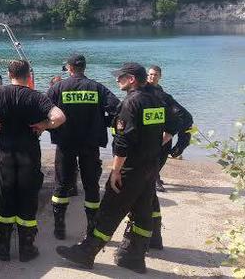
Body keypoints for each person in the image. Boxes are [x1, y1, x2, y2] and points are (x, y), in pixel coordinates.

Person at [56, 63, 174, 274]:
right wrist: (156, 145)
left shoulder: (131, 102)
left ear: (131, 79)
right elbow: (173, 124)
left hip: (130, 168)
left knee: (109, 210)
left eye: (120, 77)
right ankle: (134, 257)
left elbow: (123, 142)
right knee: (142, 212)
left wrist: (116, 170)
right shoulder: (157, 99)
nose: (116, 80)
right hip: (150, 167)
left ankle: (86, 252)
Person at [0, 60, 66, 262]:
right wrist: (44, 125)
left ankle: (2, 249)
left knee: (5, 202)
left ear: (9, 73)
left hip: (5, 157)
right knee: (27, 202)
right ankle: (26, 249)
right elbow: (60, 117)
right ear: (28, 75)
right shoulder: (36, 96)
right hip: (28, 158)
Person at [47, 54, 120, 240]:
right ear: (84, 68)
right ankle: (91, 229)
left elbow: (43, 109)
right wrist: (101, 122)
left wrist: (50, 127)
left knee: (62, 184)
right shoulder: (97, 88)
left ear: (70, 68)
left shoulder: (59, 87)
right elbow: (117, 109)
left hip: (65, 143)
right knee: (91, 185)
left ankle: (59, 228)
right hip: (90, 144)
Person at [144, 65, 194, 250]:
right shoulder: (140, 95)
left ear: (160, 77)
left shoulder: (163, 97)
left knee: (147, 188)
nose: (152, 77)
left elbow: (186, 118)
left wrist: (180, 142)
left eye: (155, 75)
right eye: (149, 74)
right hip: (150, 143)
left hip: (159, 143)